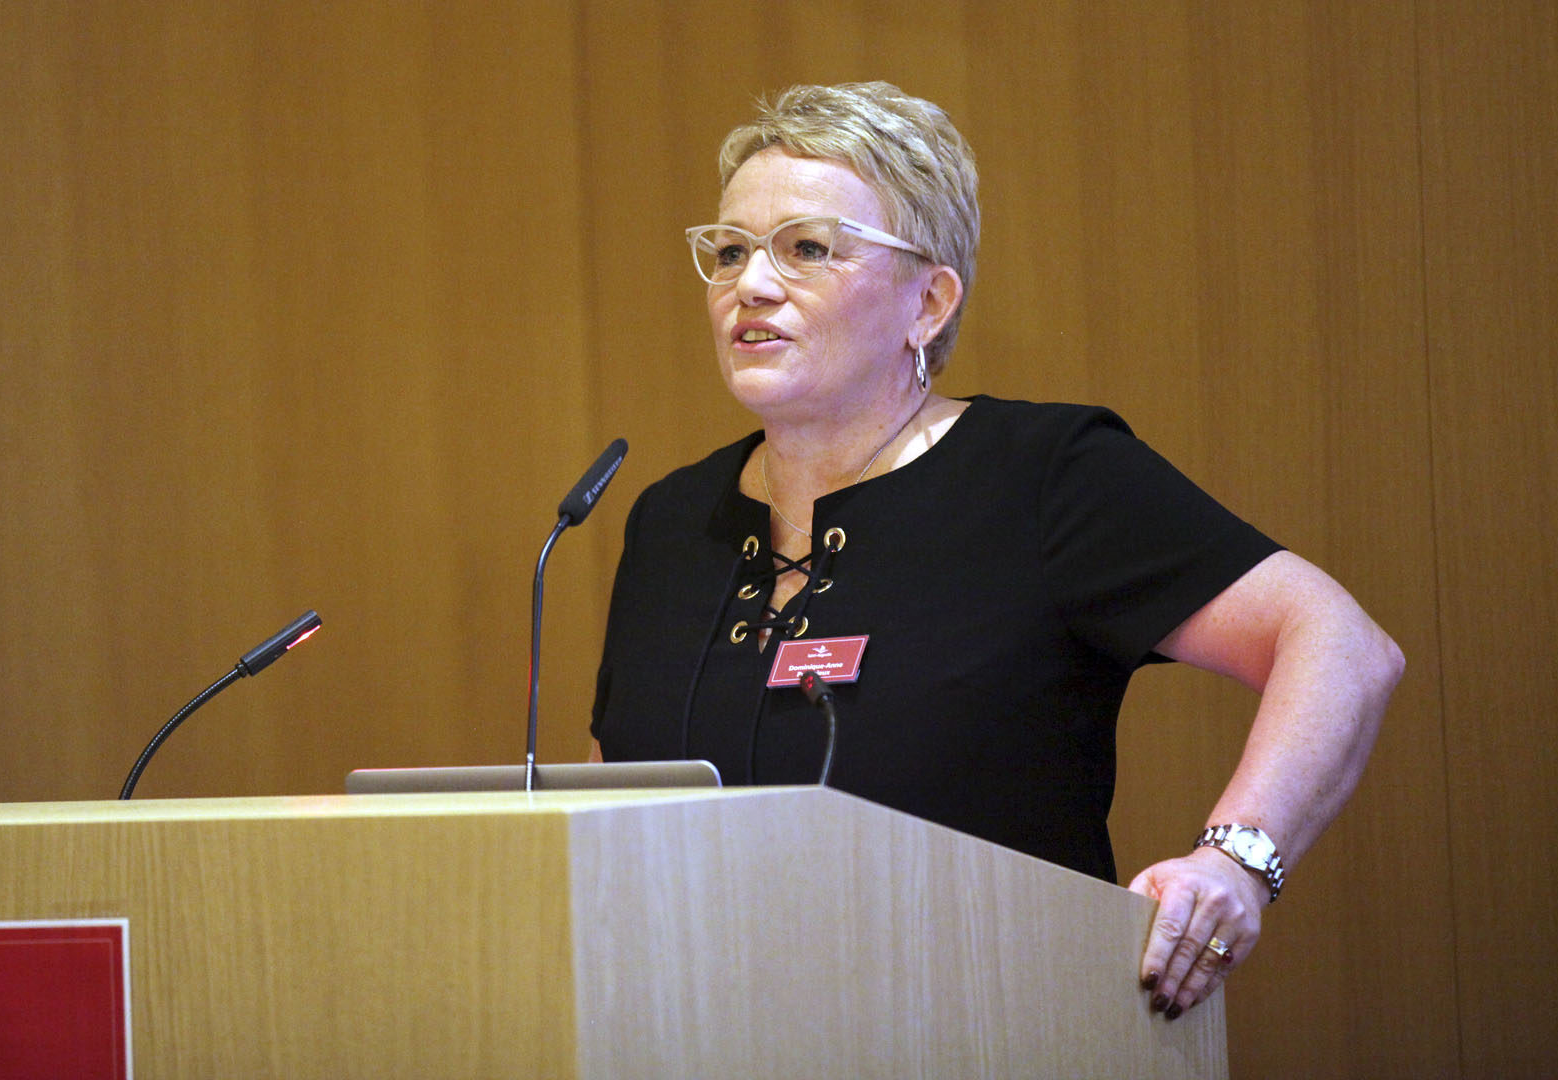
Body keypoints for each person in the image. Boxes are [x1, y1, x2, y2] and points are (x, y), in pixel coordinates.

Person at [587, 82, 1403, 1021]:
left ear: (928, 302)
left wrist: (1236, 865)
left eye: (806, 248)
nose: (751, 285)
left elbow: (1339, 644)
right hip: (704, 1026)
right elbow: (616, 810)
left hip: (999, 1021)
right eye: (729, 252)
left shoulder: (1045, 477)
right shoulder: (668, 519)